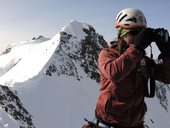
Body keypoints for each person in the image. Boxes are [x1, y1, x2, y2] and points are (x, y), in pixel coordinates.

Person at [95, 8, 170, 128]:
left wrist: (167, 53)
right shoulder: (107, 54)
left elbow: (167, 77)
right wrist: (137, 48)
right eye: (134, 32)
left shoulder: (142, 59)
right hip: (109, 124)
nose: (138, 37)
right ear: (121, 33)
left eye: (142, 33)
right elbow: (114, 73)